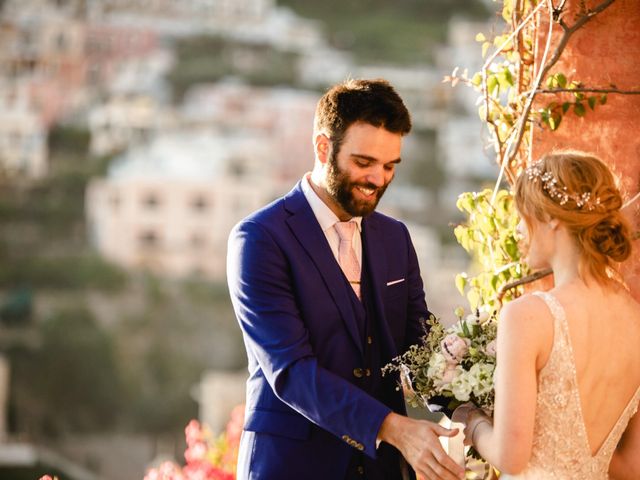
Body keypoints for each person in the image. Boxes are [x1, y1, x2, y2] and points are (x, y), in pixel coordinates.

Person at [227, 78, 465, 480]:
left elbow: (420, 346)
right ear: (323, 147)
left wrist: (472, 405)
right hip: (292, 467)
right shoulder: (259, 239)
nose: (378, 179)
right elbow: (291, 372)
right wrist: (393, 429)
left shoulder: (396, 239)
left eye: (390, 166)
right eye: (364, 162)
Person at [454, 152, 640, 479]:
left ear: (552, 219)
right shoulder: (635, 319)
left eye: (522, 215)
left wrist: (472, 421)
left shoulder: (528, 317)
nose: (517, 230)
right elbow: (630, 465)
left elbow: (510, 458)